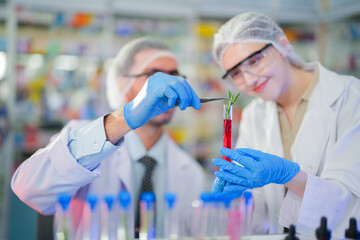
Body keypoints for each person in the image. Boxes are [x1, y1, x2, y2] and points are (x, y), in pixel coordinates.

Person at [11, 37, 206, 239]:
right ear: (122, 83)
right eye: (152, 76)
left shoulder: (191, 172)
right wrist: (126, 116)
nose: (168, 86)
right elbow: (29, 190)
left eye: (174, 76)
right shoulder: (83, 141)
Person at [211, 12, 360, 238]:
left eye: (255, 60)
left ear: (282, 45)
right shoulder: (254, 114)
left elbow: (348, 199)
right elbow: (263, 206)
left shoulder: (350, 97)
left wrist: (288, 175)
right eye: (236, 73)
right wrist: (240, 201)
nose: (249, 80)